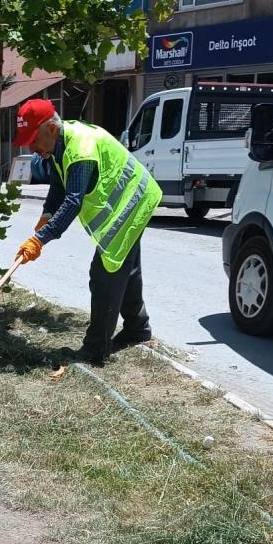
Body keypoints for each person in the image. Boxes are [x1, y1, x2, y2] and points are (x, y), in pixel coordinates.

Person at [13, 99, 162, 364]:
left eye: (34, 139)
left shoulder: (80, 149)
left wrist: (40, 239)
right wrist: (46, 215)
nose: (32, 148)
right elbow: (59, 182)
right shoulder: (61, 143)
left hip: (133, 202)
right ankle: (137, 329)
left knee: (105, 274)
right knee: (127, 268)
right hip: (134, 199)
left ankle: (96, 349)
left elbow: (73, 201)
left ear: (51, 129)